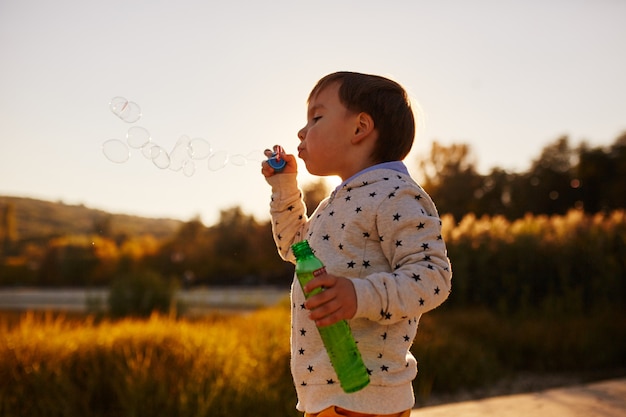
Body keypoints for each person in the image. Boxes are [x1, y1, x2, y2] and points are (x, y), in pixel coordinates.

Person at [261, 71, 452, 417]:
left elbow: (433, 277)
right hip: (326, 397)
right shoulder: (337, 202)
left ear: (360, 128)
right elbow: (294, 246)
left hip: (366, 397)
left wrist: (358, 296)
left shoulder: (396, 193)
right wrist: (285, 186)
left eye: (316, 117)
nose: (302, 132)